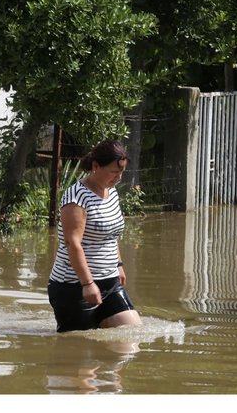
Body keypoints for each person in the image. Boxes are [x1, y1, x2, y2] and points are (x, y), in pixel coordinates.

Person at [47, 139, 142, 332]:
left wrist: (119, 265)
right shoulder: (76, 197)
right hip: (74, 286)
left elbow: (111, 234)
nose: (119, 177)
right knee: (79, 352)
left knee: (132, 336)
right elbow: (72, 244)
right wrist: (88, 283)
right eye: (114, 172)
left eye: (122, 171)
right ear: (96, 166)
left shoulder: (111, 192)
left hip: (110, 282)